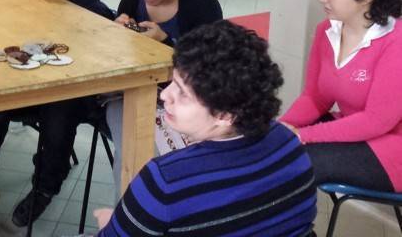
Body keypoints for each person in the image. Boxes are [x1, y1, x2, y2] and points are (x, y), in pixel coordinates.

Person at [91, 21, 317, 236]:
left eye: (182, 93)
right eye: (172, 82)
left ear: (224, 115)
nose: (165, 95)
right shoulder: (289, 143)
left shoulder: (164, 180)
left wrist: (110, 224)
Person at [0, 0, 117, 227]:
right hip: (36, 81)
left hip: (78, 92)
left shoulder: (92, 9)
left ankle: (45, 186)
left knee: (59, 111)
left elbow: (106, 58)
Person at [280, 0, 402, 193]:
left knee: (293, 164)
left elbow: (377, 121)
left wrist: (302, 135)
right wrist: (282, 128)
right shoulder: (326, 30)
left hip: (393, 146)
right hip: (357, 131)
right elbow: (315, 97)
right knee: (271, 148)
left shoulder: (396, 40)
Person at [107, 0, 221, 191]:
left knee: (164, 157)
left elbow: (211, 66)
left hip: (188, 97)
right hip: (131, 92)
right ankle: (132, 209)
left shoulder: (202, 5)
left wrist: (167, 42)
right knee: (131, 151)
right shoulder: (130, 2)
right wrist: (114, 35)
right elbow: (117, 63)